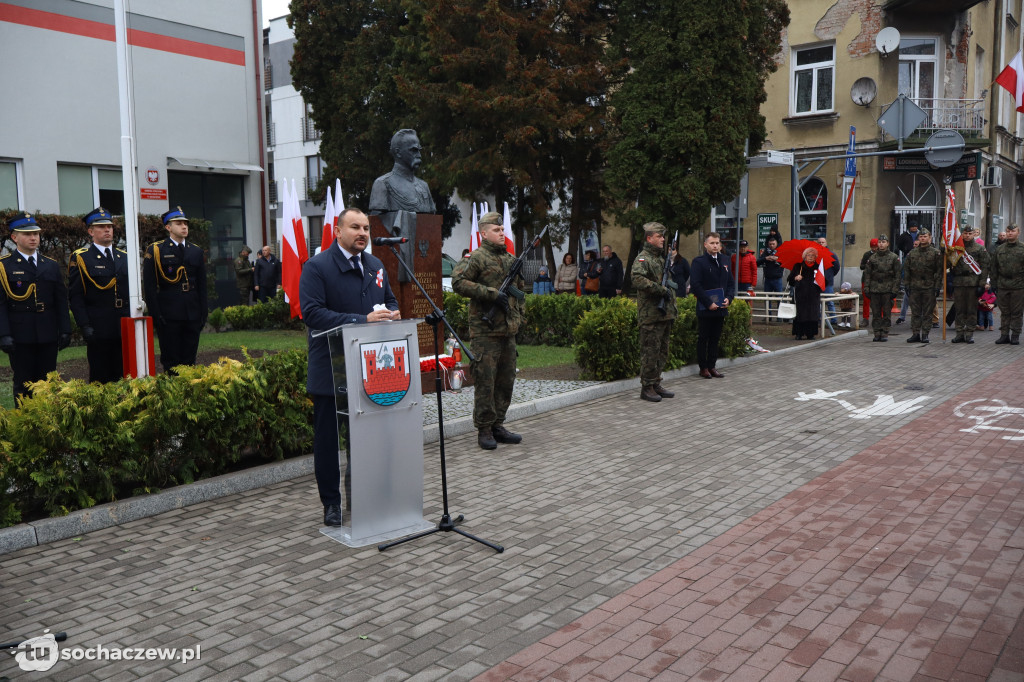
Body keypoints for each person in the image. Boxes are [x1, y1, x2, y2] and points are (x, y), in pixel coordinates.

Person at [300, 208, 400, 527]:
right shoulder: (317, 267)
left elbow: (391, 300)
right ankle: (332, 503)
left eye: (366, 228)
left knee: (365, 438)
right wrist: (361, 320)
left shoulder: (375, 265)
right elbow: (312, 314)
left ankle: (361, 497)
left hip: (369, 368)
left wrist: (392, 314)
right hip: (331, 367)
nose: (363, 232)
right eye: (354, 227)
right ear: (336, 230)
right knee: (329, 442)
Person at [452, 211, 525, 450]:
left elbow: (519, 291)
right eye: (496, 230)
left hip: (507, 331)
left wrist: (517, 315)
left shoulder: (510, 258)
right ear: (483, 233)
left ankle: (498, 425)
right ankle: (484, 429)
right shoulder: (476, 257)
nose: (502, 233)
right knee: (485, 381)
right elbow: (458, 282)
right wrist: (491, 294)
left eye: (502, 230)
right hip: (485, 331)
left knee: (506, 380)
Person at [0, 213, 71, 402]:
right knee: (23, 382)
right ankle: (24, 424)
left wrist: (65, 330)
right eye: (27, 234)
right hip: (20, 334)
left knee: (48, 380)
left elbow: (60, 300)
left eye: (36, 234)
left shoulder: (51, 265)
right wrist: (4, 334)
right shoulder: (4, 266)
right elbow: (1, 304)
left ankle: (47, 423)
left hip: (47, 332)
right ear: (14, 237)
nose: (33, 238)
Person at [68, 207, 129, 383]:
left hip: (123, 324)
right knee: (100, 377)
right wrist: (85, 326)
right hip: (99, 326)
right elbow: (76, 296)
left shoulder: (123, 256)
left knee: (124, 375)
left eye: (109, 226)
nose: (107, 230)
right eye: (101, 227)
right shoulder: (82, 257)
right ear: (90, 231)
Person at [142, 207, 207, 372]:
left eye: (185, 224)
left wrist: (203, 311)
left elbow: (201, 284)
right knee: (171, 360)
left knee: (189, 359)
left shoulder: (196, 251)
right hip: (169, 313)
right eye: (179, 224)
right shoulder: (156, 250)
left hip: (192, 311)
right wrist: (156, 315)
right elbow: (149, 286)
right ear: (168, 227)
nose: (184, 227)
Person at [631, 222, 676, 402]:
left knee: (662, 351)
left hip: (663, 313)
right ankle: (647, 387)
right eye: (659, 236)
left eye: (663, 236)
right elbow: (637, 278)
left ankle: (656, 382)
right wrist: (659, 289)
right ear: (649, 238)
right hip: (650, 315)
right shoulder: (643, 258)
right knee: (650, 351)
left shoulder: (659, 258)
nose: (663, 239)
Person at [690, 232, 734, 379]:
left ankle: (712, 366)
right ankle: (703, 368)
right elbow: (696, 285)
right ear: (705, 245)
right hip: (706, 307)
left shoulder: (725, 260)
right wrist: (709, 303)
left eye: (717, 243)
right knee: (704, 338)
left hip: (721, 308)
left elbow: (730, 283)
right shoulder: (699, 262)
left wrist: (728, 298)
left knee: (715, 338)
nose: (715, 246)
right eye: (712, 243)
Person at [949, 225, 990, 344]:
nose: (967, 236)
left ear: (974, 234)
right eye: (965, 233)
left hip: (973, 282)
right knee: (959, 309)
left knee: (971, 310)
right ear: (962, 234)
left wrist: (982, 285)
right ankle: (959, 333)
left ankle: (969, 333)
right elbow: (948, 264)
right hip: (959, 282)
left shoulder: (979, 248)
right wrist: (945, 253)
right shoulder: (957, 248)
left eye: (970, 233)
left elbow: (985, 267)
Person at [902, 228, 943, 344]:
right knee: (915, 312)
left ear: (930, 238)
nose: (923, 238)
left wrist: (937, 286)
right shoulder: (912, 253)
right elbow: (907, 270)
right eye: (921, 237)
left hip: (929, 287)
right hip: (915, 286)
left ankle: (925, 334)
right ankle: (915, 334)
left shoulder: (935, 253)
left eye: (925, 236)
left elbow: (939, 271)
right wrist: (907, 285)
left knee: (927, 313)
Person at [863, 234, 901, 341]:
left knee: (887, 313)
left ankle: (884, 332)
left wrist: (895, 290)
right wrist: (866, 288)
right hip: (874, 289)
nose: (881, 244)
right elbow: (868, 274)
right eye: (879, 242)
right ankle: (876, 332)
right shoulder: (872, 258)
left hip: (887, 289)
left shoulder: (893, 257)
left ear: (888, 243)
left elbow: (897, 275)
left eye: (883, 242)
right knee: (876, 313)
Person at [990, 224, 1023, 344]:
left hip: (1018, 285)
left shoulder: (1022, 248)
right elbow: (993, 267)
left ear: (1018, 233)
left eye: (1012, 231)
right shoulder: (1000, 249)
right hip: (1003, 284)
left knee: (1016, 312)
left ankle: (1015, 335)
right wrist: (993, 283)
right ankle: (1004, 334)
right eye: (1008, 231)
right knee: (1004, 312)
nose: (1010, 233)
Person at [787, 247, 822, 340]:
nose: (810, 257)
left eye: (813, 256)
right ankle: (799, 333)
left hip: (813, 295)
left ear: (815, 257)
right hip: (800, 295)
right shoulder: (798, 266)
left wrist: (820, 280)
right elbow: (790, 280)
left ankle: (811, 334)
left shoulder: (818, 267)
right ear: (804, 256)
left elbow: (824, 282)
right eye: (808, 255)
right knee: (800, 314)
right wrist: (795, 277)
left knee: (812, 315)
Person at [816, 237, 841, 324]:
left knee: (830, 302)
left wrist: (830, 275)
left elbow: (837, 267)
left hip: (828, 283)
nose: (821, 244)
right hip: (816, 283)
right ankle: (818, 319)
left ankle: (833, 320)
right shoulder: (813, 254)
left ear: (826, 243)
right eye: (819, 242)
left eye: (823, 242)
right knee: (817, 302)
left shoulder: (832, 254)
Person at [859, 238, 878, 328]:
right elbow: (861, 266)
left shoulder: (881, 255)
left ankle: (877, 318)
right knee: (866, 301)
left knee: (877, 301)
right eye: (873, 247)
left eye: (875, 247)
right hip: (866, 280)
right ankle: (865, 319)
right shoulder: (867, 254)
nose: (874, 249)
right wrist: (867, 264)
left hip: (876, 280)